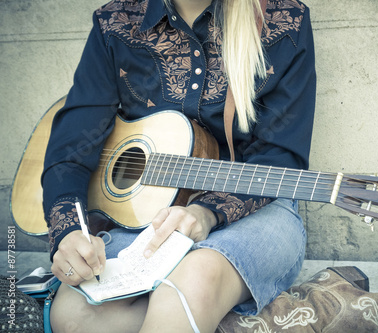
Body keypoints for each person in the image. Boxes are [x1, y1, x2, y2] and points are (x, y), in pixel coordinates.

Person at [42, 0, 316, 332]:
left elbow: (279, 158)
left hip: (259, 207)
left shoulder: (283, 20)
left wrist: (205, 212)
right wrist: (69, 232)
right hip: (148, 215)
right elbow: (72, 147)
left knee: (191, 282)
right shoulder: (116, 21)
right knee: (71, 315)